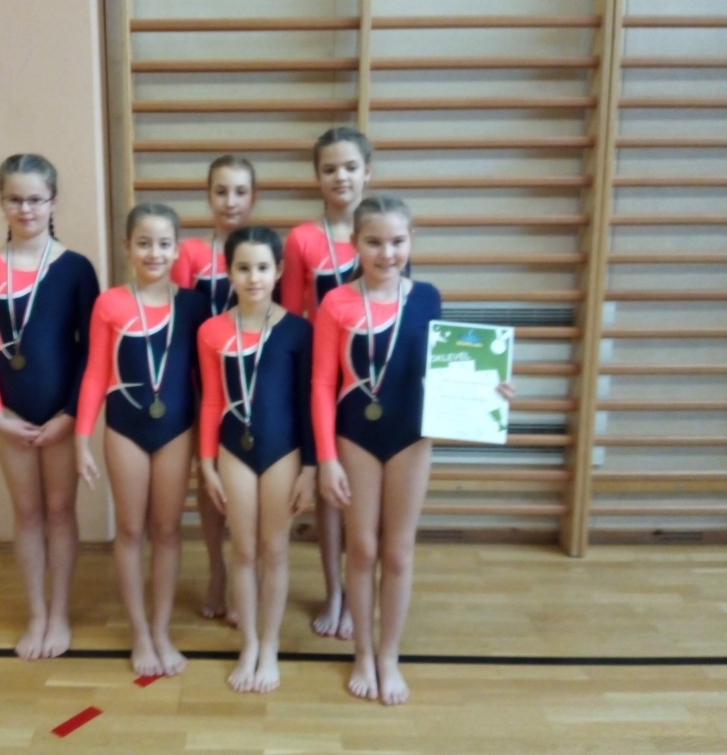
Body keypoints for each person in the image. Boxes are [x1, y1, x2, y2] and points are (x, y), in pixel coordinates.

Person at [312, 194, 513, 704]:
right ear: (354, 244)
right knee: (362, 549)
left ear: (412, 241)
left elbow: (442, 367)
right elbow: (321, 384)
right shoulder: (336, 303)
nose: (387, 253)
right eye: (374, 242)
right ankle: (362, 652)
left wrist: (486, 388)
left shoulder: (426, 297)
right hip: (355, 437)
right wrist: (327, 458)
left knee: (398, 552)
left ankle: (388, 656)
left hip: (411, 435)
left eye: (397, 241)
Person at [0, 153, 99, 660]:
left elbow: (91, 352)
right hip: (11, 415)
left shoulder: (76, 269)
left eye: (36, 199)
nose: (26, 209)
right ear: (2, 203)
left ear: (53, 201)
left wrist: (71, 416)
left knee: (60, 512)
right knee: (28, 515)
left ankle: (59, 613)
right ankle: (36, 614)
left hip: (61, 414)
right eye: (15, 200)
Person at [75, 203, 210, 677]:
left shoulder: (193, 305)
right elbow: (95, 373)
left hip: (177, 430)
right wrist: (81, 438)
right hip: (124, 429)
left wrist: (209, 447)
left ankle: (161, 629)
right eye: (144, 243)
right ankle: (139, 632)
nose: (154, 252)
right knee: (131, 531)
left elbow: (205, 381)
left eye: (164, 243)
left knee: (168, 531)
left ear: (177, 249)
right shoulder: (110, 303)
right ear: (127, 247)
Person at [197, 226, 315, 693]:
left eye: (262, 267)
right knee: (243, 551)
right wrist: (207, 463)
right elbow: (211, 401)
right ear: (228, 272)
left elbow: (306, 404)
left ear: (279, 270)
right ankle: (248, 644)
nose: (253, 277)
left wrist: (311, 467)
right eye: (243, 268)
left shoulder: (298, 331)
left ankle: (270, 645)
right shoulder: (212, 331)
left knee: (275, 551)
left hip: (283, 451)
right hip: (234, 451)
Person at [280, 126, 372, 640]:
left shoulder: (381, 229)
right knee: (328, 490)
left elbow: (406, 305)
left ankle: (359, 590)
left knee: (364, 490)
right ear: (317, 176)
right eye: (330, 168)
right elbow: (291, 316)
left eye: (350, 167)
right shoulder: (302, 239)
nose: (341, 177)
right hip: (321, 378)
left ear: (367, 172)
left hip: (372, 378)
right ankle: (334, 590)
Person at [171, 155, 258, 624]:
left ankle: (248, 572)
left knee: (252, 483)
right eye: (221, 191)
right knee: (210, 483)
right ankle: (217, 569)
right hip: (201, 386)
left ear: (253, 197)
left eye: (240, 191)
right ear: (207, 196)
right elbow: (175, 321)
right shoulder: (190, 253)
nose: (230, 201)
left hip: (252, 390)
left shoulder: (263, 251)